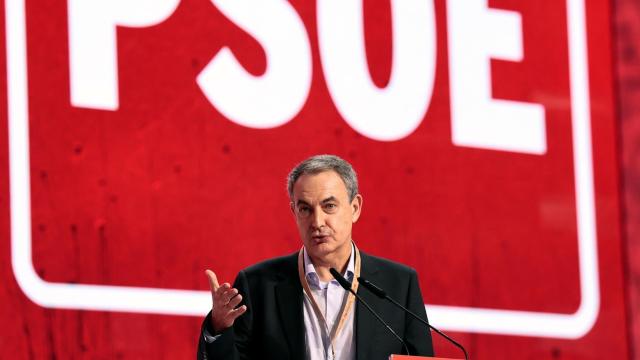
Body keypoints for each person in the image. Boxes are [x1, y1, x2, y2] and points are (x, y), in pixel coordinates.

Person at [197, 155, 434, 360]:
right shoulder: (258, 284)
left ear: (355, 208)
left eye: (329, 206)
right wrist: (218, 328)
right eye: (305, 209)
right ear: (294, 212)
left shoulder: (398, 285)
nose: (317, 222)